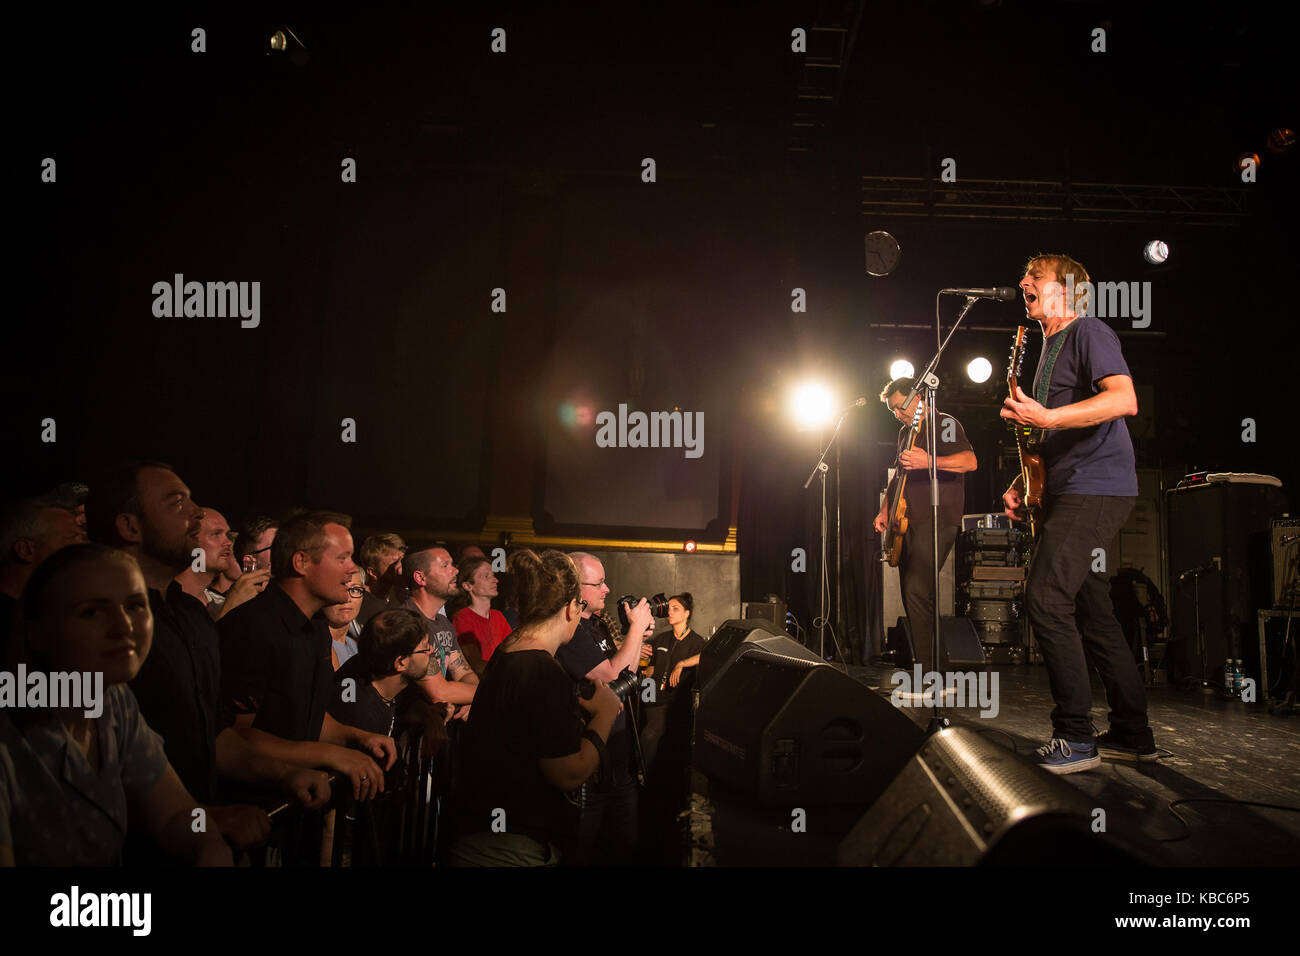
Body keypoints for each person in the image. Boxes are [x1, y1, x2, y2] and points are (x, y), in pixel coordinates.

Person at [87, 462, 330, 825]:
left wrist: (285, 773)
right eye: (176, 502)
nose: (196, 512)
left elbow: (214, 736)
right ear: (129, 526)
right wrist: (198, 822)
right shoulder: (97, 627)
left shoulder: (191, 617)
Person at [1001, 252, 1155, 772]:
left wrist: (1046, 415)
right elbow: (1052, 430)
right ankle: (1133, 731)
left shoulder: (1089, 330)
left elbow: (1123, 399)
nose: (1023, 283)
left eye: (1035, 278)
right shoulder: (1047, 348)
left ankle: (1075, 736)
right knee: (1094, 611)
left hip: (1097, 488)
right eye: (1025, 277)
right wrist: (1022, 483)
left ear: (1066, 290)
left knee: (1044, 598)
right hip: (1068, 489)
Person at [0, 544, 239, 866]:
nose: (124, 626)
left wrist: (208, 844)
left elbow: (178, 812)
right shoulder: (10, 738)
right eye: (91, 612)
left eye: (135, 605)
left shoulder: (113, 701)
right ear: (36, 633)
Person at [447, 550, 622, 866]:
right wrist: (606, 713)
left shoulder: (509, 650)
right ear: (570, 608)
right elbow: (568, 773)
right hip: (510, 850)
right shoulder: (541, 670)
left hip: (484, 836)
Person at [219, 511, 396, 805]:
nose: (353, 569)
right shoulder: (253, 629)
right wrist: (333, 755)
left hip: (298, 806)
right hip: (250, 807)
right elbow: (236, 738)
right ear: (300, 562)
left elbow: (306, 717)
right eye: (342, 558)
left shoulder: (314, 628)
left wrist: (354, 737)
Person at [873, 378, 977, 672]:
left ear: (916, 397)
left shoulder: (943, 423)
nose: (896, 414)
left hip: (937, 518)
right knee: (915, 594)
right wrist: (884, 510)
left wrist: (928, 460)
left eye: (898, 407)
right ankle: (937, 672)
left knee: (917, 592)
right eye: (892, 410)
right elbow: (897, 476)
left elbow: (970, 462)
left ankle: (931, 676)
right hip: (906, 522)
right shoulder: (905, 433)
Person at [558, 552, 653, 865]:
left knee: (625, 849)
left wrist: (637, 636)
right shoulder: (570, 632)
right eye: (598, 583)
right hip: (590, 764)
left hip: (617, 758)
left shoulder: (596, 625)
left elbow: (628, 674)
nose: (607, 589)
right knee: (583, 851)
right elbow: (611, 676)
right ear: (575, 589)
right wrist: (636, 629)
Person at [400, 546, 477, 717]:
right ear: (420, 578)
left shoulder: (443, 623)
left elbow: (466, 673)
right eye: (445, 565)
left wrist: (468, 698)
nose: (456, 570)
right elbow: (439, 692)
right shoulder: (407, 623)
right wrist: (482, 695)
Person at [452, 556, 512, 674]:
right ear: (468, 586)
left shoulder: (497, 616)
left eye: (493, 575)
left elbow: (511, 650)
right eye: (486, 576)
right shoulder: (462, 618)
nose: (495, 580)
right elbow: (475, 664)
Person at [644, 593, 706, 691]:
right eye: (668, 608)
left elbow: (705, 656)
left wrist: (681, 664)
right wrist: (646, 696)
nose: (669, 612)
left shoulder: (697, 642)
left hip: (677, 701)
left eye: (675, 608)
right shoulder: (661, 638)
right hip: (653, 696)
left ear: (686, 613)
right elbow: (652, 664)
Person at [323, 571, 365, 670]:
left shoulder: (355, 646)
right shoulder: (311, 647)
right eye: (338, 589)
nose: (347, 598)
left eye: (355, 590)